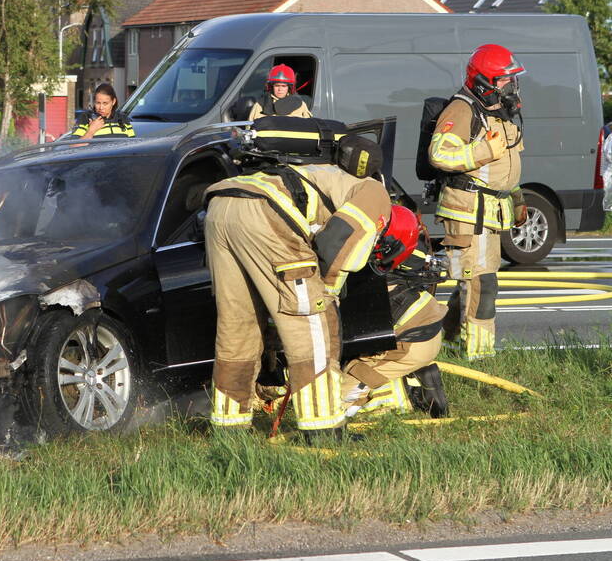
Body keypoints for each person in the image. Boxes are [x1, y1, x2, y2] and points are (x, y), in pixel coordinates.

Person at [203, 150, 396, 442]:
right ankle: (323, 428)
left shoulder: (316, 171)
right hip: (267, 212)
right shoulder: (374, 190)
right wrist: (327, 290)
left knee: (237, 325)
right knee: (313, 327)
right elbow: (341, 239)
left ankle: (229, 426)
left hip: (222, 205)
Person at [429, 44, 525, 360]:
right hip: (467, 210)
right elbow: (439, 154)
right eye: (503, 81)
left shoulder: (502, 112)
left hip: (491, 211)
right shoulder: (462, 111)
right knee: (481, 284)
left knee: (470, 283)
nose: (510, 87)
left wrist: (518, 198)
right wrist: (483, 151)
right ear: (484, 82)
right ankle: (479, 357)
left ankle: (443, 342)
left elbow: (506, 166)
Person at [341, 213, 448, 418]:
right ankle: (416, 377)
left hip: (408, 345)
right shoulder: (395, 263)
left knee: (335, 400)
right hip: (422, 331)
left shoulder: (363, 276)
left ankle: (404, 395)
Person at [71, 83, 135, 138]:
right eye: (98, 103)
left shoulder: (123, 119)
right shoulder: (86, 118)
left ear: (113, 101)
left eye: (105, 103)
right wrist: (91, 131)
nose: (101, 108)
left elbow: (132, 147)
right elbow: (74, 146)